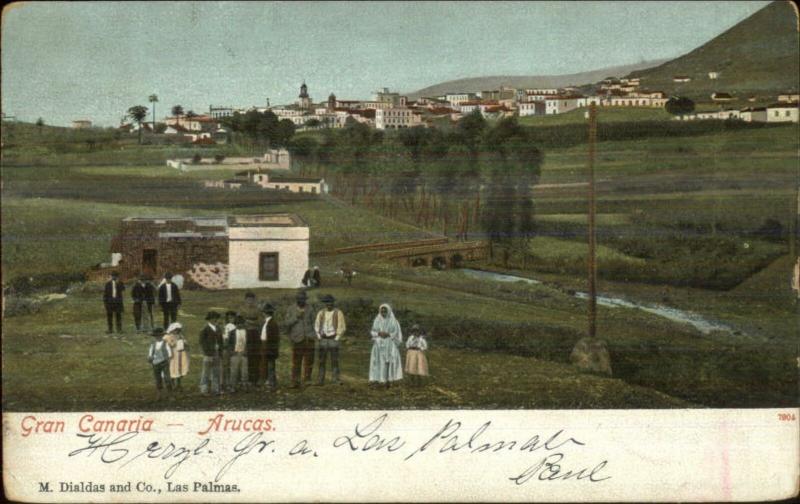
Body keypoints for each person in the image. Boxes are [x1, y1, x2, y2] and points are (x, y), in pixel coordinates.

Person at [285, 291, 316, 388]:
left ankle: (307, 380)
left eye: (303, 299)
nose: (301, 301)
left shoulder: (310, 309)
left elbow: (315, 323)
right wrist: (296, 317)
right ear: (296, 299)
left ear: (305, 299)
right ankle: (295, 381)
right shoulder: (291, 309)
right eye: (299, 299)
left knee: (309, 360)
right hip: (297, 339)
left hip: (309, 338)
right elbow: (287, 323)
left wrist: (313, 335)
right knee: (296, 361)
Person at [369, 303, 404, 388]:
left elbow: (396, 332)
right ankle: (377, 380)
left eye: (385, 311)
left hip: (389, 343)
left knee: (388, 362)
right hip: (379, 343)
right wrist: (378, 333)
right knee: (377, 362)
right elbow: (373, 331)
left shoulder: (393, 321)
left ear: (388, 311)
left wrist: (388, 334)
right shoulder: (377, 319)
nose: (383, 313)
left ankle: (388, 381)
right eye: (382, 311)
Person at [314, 294, 346, 385]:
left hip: (333, 339)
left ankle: (335, 379)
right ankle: (320, 380)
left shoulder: (338, 312)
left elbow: (342, 327)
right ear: (325, 303)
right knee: (321, 360)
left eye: (331, 302)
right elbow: (316, 325)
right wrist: (319, 336)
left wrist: (337, 338)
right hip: (323, 339)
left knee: (334, 360)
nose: (329, 304)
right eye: (327, 302)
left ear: (333, 303)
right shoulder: (321, 313)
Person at [238, 292, 264, 386]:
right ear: (245, 300)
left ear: (254, 300)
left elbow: (261, 321)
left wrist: (250, 322)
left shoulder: (257, 310)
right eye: (248, 300)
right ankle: (245, 378)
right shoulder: (241, 309)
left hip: (255, 334)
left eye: (252, 300)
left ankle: (255, 379)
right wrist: (250, 322)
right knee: (246, 355)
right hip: (245, 334)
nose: (250, 302)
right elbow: (239, 322)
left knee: (256, 356)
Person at [199, 311, 222, 396]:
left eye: (216, 318)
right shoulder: (205, 329)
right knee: (206, 372)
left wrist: (220, 351)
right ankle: (204, 389)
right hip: (208, 353)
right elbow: (202, 342)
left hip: (216, 352)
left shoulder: (218, 328)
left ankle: (215, 389)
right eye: (213, 318)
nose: (215, 320)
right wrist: (206, 352)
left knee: (216, 371)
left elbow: (221, 341)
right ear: (209, 319)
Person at [147, 327, 172, 400]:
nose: (158, 337)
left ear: (162, 336)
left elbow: (169, 353)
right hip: (156, 364)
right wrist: (150, 358)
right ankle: (159, 394)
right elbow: (150, 353)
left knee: (167, 378)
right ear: (154, 336)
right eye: (156, 336)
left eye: (159, 336)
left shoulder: (165, 344)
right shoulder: (153, 345)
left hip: (164, 363)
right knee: (158, 378)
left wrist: (167, 359)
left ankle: (170, 394)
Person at [260, 303, 281, 390]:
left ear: (265, 313)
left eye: (264, 312)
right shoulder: (267, 322)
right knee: (268, 365)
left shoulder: (272, 323)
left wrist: (271, 349)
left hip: (269, 347)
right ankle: (270, 381)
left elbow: (274, 338)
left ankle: (272, 383)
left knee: (270, 365)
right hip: (266, 345)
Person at [164, 322, 190, 390]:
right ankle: (172, 383)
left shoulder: (180, 336)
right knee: (172, 368)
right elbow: (167, 345)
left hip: (180, 354)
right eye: (176, 330)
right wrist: (172, 343)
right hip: (172, 355)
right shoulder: (168, 336)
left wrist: (184, 343)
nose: (177, 331)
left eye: (178, 330)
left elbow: (185, 343)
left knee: (180, 367)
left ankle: (179, 383)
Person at [228, 315, 249, 392]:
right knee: (234, 371)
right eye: (238, 323)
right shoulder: (232, 332)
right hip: (235, 353)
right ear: (235, 324)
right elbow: (229, 344)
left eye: (241, 323)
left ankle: (244, 385)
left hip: (244, 353)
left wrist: (246, 351)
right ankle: (233, 386)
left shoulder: (247, 332)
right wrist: (232, 351)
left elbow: (249, 343)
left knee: (245, 371)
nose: (239, 325)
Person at [221, 310, 238, 392]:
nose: (231, 319)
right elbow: (225, 339)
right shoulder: (228, 327)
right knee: (226, 367)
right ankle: (225, 384)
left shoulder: (236, 326)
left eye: (233, 317)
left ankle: (231, 385)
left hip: (234, 349)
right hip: (228, 349)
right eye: (230, 318)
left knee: (232, 368)